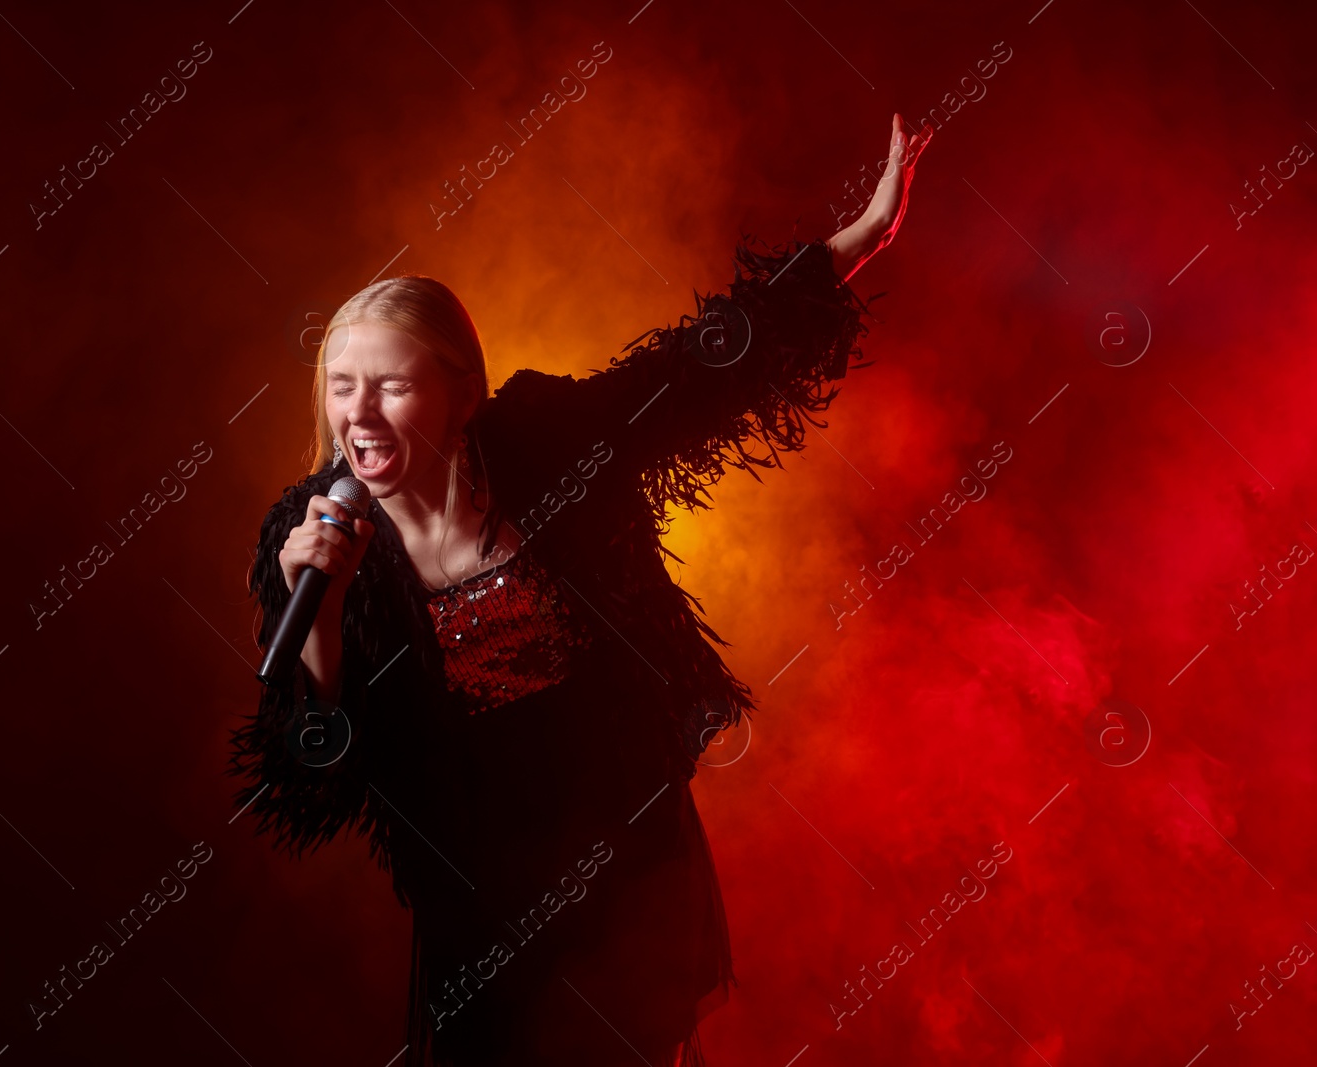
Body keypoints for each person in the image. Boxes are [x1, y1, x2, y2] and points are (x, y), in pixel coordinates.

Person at [228, 113, 930, 1065]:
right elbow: (308, 775)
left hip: (627, 844)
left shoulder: (542, 437)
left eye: (390, 386)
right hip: (483, 892)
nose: (358, 413)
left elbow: (692, 372)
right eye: (341, 385)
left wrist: (855, 239)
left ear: (459, 391)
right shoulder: (309, 534)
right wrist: (318, 616)